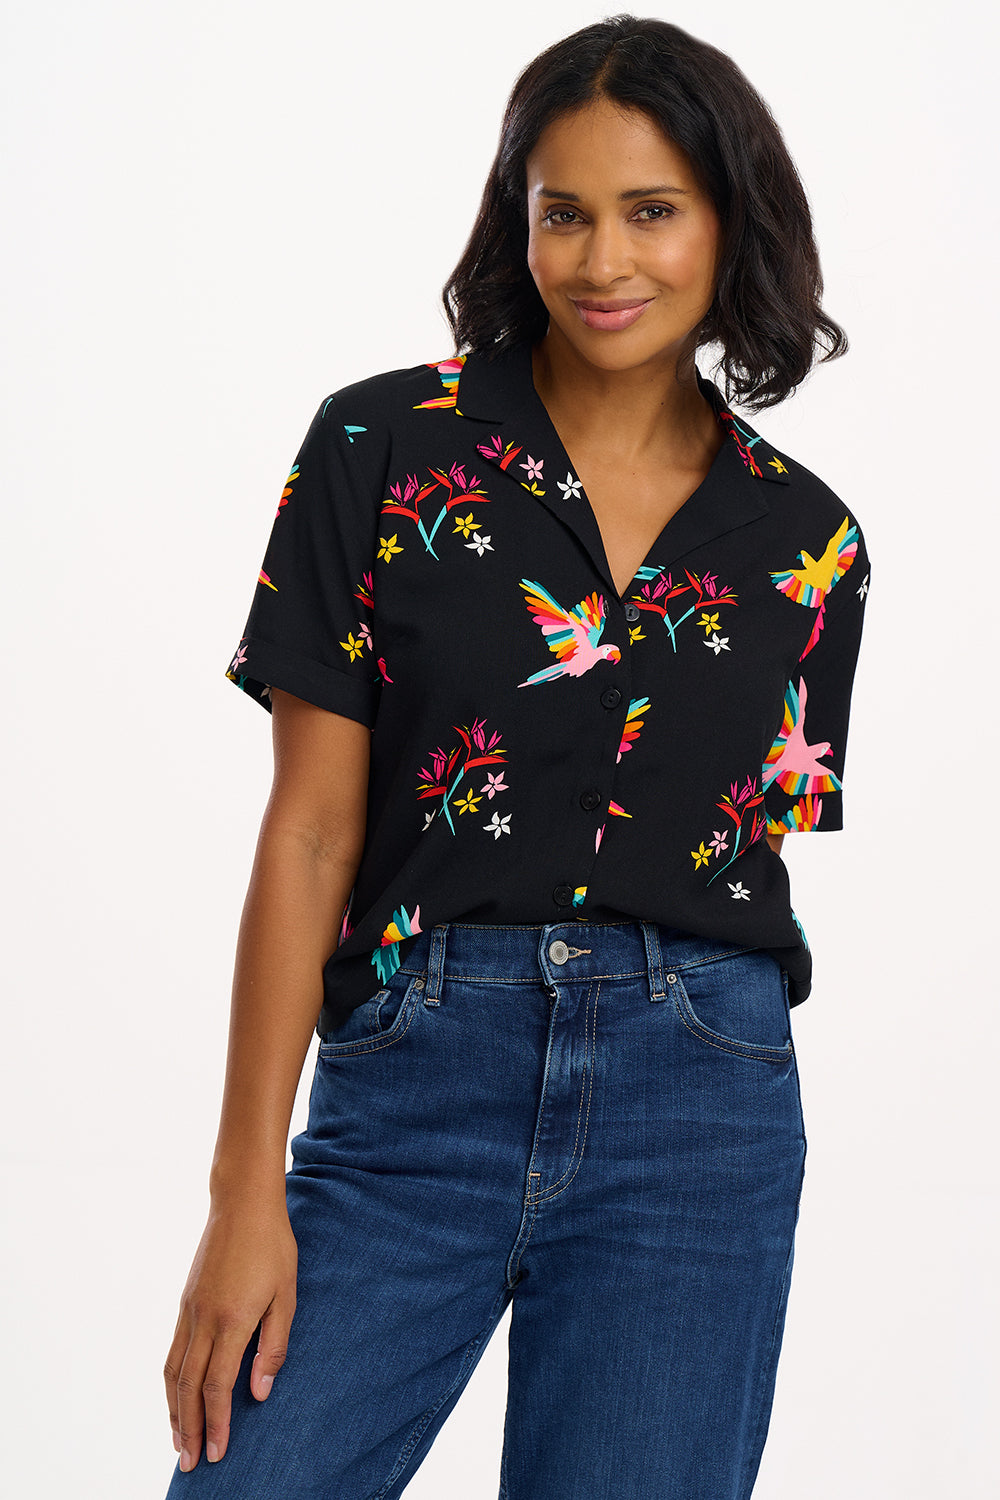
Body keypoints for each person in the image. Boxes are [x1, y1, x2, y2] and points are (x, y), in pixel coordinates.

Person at [162, 14, 871, 1499]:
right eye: (565, 212)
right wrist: (244, 1191)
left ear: (731, 223)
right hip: (413, 1086)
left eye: (652, 211)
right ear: (516, 221)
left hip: (699, 1112)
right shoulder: (381, 447)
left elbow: (749, 848)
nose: (604, 259)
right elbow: (307, 837)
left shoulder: (810, 541)